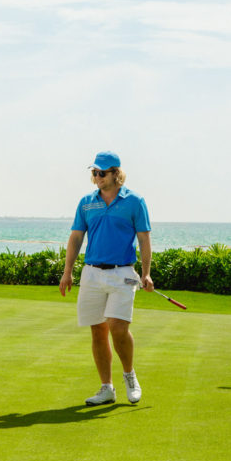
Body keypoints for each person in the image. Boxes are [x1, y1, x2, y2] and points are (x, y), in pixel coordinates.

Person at [60, 151, 153, 405]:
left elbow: (144, 239)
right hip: (91, 273)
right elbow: (76, 238)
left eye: (102, 173)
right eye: (95, 173)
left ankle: (129, 375)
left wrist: (146, 273)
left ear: (116, 174)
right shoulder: (86, 203)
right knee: (98, 331)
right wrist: (67, 272)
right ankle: (106, 388)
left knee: (118, 327)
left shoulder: (134, 201)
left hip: (123, 273)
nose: (97, 177)